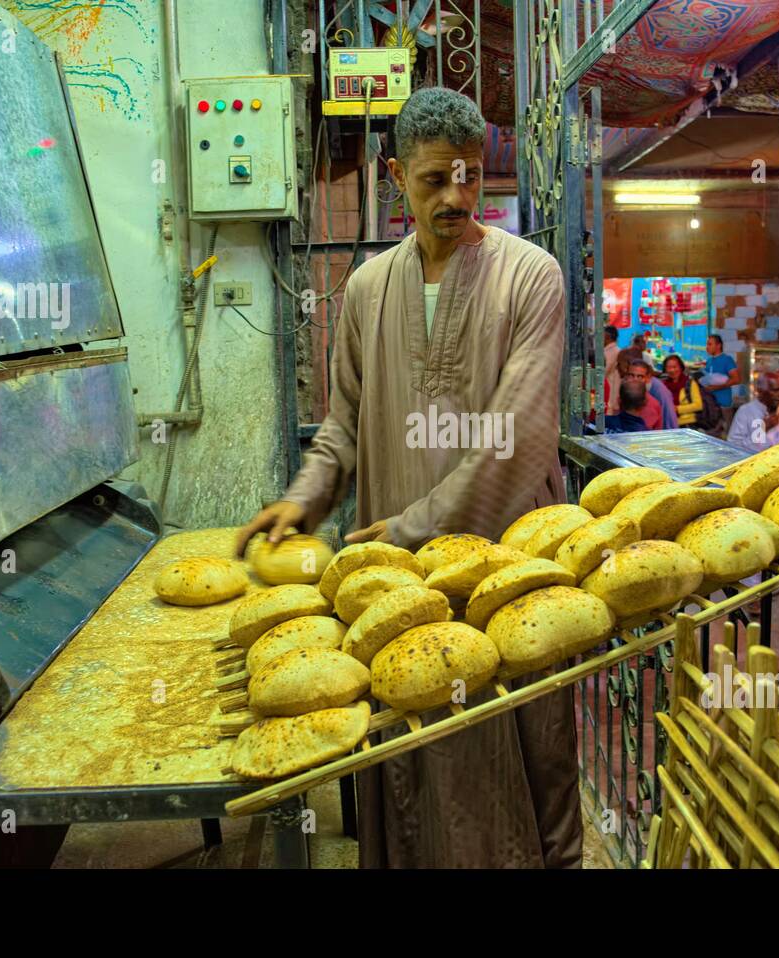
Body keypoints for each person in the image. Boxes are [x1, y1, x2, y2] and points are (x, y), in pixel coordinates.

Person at [232, 87, 581, 868]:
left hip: (504, 574)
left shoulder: (532, 276)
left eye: (470, 176)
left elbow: (518, 437)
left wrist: (417, 526)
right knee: (415, 756)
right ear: (395, 175)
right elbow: (344, 424)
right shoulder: (364, 289)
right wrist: (303, 499)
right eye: (433, 181)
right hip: (397, 584)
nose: (456, 196)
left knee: (525, 756)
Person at [727, 370, 779, 452]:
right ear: (760, 391)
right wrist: (761, 430)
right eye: (775, 390)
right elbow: (733, 449)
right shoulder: (745, 412)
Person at [704, 333, 741, 436]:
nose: (707, 347)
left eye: (710, 344)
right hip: (711, 404)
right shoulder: (709, 361)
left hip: (724, 404)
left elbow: (736, 379)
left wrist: (718, 387)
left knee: (726, 433)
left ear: (718, 345)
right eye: (707, 344)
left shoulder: (727, 360)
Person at [603, 325, 620, 416]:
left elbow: (603, 372)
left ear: (607, 336)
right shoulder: (612, 350)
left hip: (610, 392)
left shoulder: (611, 351)